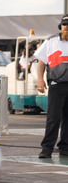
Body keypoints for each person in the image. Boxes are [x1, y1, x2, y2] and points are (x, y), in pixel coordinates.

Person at [34, 14, 68, 158]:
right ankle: (47, 148)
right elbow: (41, 62)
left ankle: (65, 147)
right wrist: (40, 80)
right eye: (65, 25)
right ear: (61, 26)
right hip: (57, 84)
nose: (67, 27)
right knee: (53, 118)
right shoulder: (51, 41)